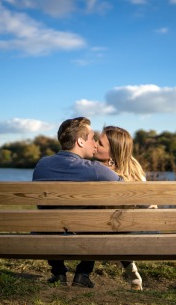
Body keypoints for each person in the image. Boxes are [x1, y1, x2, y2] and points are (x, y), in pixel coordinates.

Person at [32, 117, 121, 288]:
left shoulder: (42, 164)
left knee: (50, 217)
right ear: (80, 141)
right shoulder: (95, 169)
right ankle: (83, 274)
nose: (95, 143)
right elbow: (123, 188)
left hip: (47, 237)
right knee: (97, 215)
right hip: (81, 237)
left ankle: (58, 273)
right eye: (92, 138)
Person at [93, 125, 146, 291]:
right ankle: (133, 275)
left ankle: (82, 273)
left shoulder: (97, 171)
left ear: (113, 153)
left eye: (100, 143)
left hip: (111, 229)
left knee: (96, 225)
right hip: (138, 229)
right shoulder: (134, 168)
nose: (94, 144)